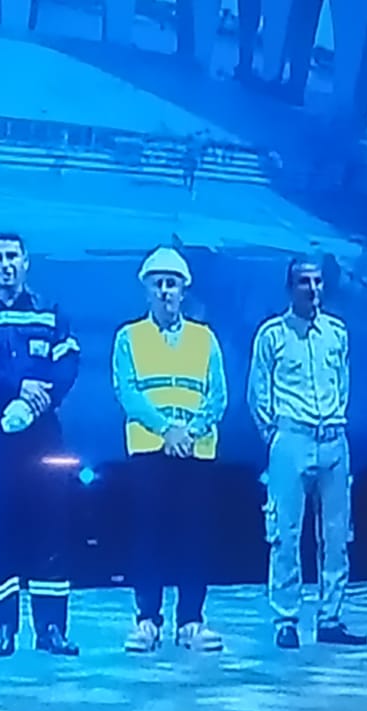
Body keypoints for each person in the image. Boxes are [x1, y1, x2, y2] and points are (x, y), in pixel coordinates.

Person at [0, 232, 81, 657]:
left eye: (13, 256)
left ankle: (51, 629)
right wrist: (16, 387)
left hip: (43, 434)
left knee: (50, 525)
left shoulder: (49, 311)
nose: (6, 264)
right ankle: (0, 630)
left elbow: (68, 364)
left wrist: (39, 400)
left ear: (26, 262)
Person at [248, 255, 367, 649]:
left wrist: (333, 422)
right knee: (285, 532)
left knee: (336, 535)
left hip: (333, 439)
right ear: (290, 288)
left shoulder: (337, 332)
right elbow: (258, 393)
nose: (313, 289)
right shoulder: (272, 334)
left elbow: (343, 383)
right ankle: (286, 618)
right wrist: (275, 437)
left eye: (317, 282)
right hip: (292, 438)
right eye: (304, 282)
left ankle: (330, 616)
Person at [112, 247, 228, 653]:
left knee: (194, 537)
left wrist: (189, 431)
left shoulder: (204, 337)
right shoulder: (128, 337)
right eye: (158, 283)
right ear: (146, 289)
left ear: (184, 290)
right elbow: (128, 392)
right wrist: (166, 430)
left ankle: (191, 622)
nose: (165, 290)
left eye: (172, 283)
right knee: (149, 536)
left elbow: (217, 395)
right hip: (149, 451)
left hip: (196, 452)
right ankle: (148, 621)